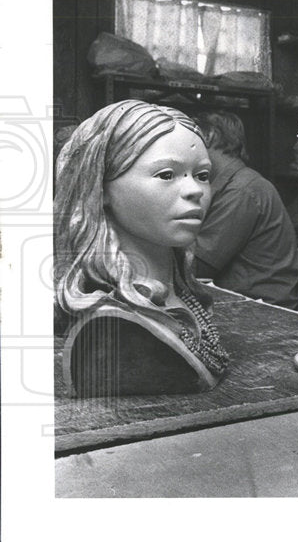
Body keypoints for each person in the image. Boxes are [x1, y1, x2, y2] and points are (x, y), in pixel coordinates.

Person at [54, 99, 229, 395]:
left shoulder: (183, 295)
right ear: (101, 188)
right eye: (166, 175)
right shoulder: (112, 327)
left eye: (202, 175)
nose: (194, 190)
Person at [192, 110, 298, 308]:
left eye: (192, 143)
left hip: (260, 308)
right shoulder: (231, 183)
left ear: (210, 137)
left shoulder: (242, 189)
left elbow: (199, 267)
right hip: (240, 299)